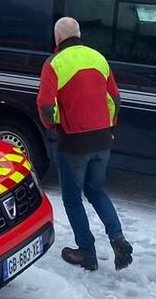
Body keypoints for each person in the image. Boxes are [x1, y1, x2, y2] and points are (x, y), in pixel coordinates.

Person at [37, 17, 133, 272]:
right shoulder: (98, 58)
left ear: (57, 38)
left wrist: (56, 127)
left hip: (74, 143)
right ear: (78, 34)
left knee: (71, 198)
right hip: (103, 139)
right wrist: (109, 127)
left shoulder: (54, 63)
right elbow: (114, 98)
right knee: (96, 190)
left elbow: (46, 106)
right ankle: (118, 238)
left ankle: (86, 252)